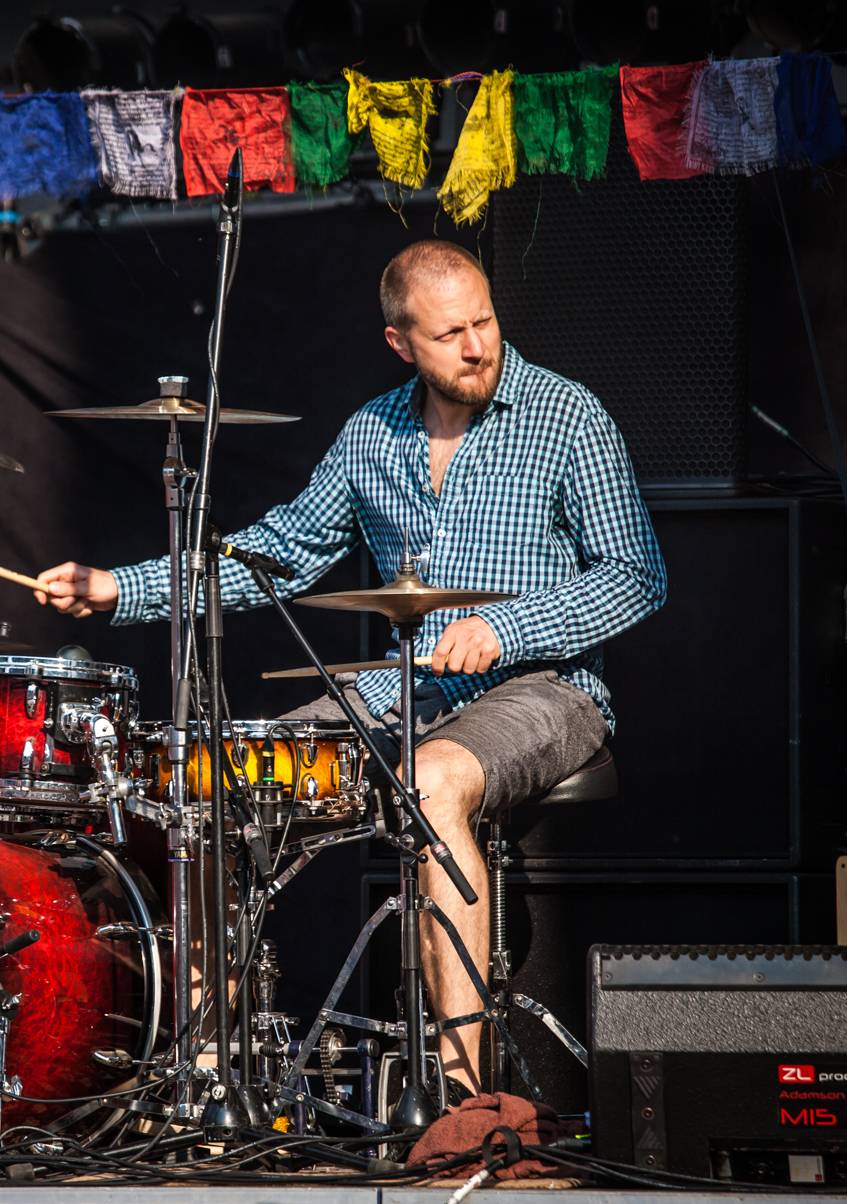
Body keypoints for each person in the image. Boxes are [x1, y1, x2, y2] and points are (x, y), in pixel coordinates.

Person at [34, 239, 667, 1099]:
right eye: (450, 334)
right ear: (400, 343)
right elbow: (278, 554)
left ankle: (460, 1096)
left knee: (431, 780)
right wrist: (120, 587)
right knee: (222, 784)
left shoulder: (569, 415)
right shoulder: (373, 432)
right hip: (407, 686)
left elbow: (636, 575)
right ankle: (219, 1079)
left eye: (484, 322)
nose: (478, 347)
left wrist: (504, 625)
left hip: (545, 688)